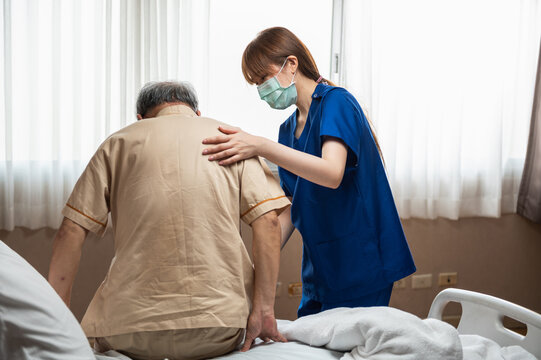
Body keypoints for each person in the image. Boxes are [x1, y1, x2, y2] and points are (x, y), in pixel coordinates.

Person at [48, 81, 290, 359]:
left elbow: (70, 231)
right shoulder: (230, 138)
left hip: (130, 330)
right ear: (197, 113)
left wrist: (57, 321)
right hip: (221, 328)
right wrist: (264, 310)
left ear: (141, 119)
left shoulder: (118, 143)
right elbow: (269, 223)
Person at [202, 27, 416, 318]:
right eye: (256, 85)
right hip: (320, 267)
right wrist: (252, 262)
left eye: (263, 78)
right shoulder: (287, 130)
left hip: (360, 260)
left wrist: (259, 145)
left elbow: (331, 173)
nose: (262, 91)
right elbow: (292, 206)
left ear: (291, 64)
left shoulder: (336, 102)